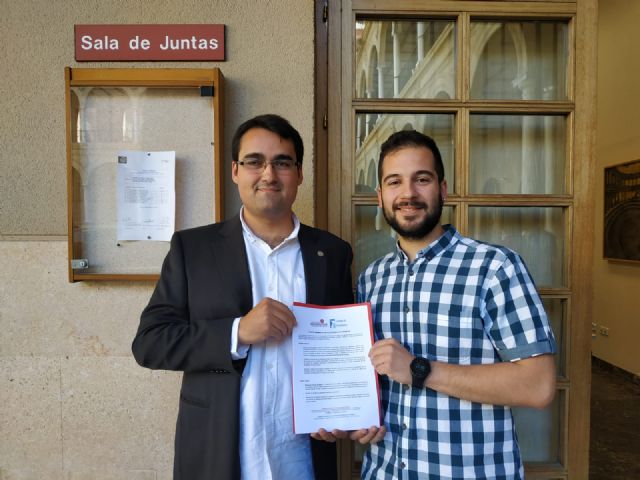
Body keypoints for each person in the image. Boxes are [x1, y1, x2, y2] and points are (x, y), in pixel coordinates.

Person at [132, 114, 353, 480]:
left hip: (303, 460)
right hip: (220, 456)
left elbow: (342, 350)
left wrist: (342, 413)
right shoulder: (194, 249)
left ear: (299, 174)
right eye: (254, 162)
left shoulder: (331, 253)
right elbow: (150, 343)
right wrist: (237, 332)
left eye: (282, 162)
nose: (268, 174)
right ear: (235, 171)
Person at [351, 130, 557, 479]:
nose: (408, 194)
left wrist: (419, 369)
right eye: (394, 182)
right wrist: (360, 420)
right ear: (380, 197)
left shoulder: (494, 268)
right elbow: (369, 382)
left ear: (442, 189)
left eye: (422, 179)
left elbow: (538, 385)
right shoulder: (371, 280)